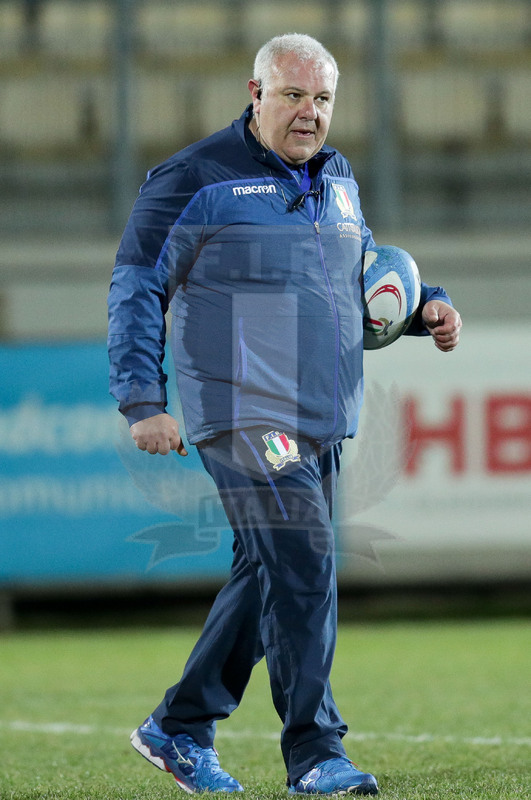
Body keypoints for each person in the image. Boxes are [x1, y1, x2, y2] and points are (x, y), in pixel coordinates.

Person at [107, 33, 461, 796]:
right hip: (239, 406)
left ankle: (179, 725)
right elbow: (136, 285)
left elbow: (363, 268)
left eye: (323, 99)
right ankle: (315, 753)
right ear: (255, 92)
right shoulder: (193, 176)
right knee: (302, 555)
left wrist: (425, 303)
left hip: (321, 413)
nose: (309, 113)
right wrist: (142, 397)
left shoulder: (337, 179)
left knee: (268, 573)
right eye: (293, 95)